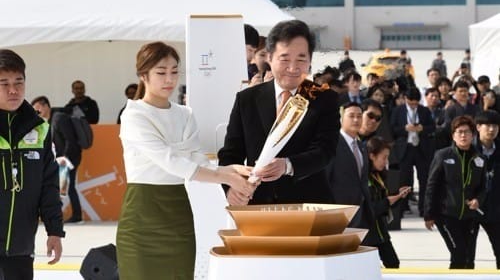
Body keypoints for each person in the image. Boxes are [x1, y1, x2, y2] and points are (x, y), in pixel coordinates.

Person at [116, 41, 256, 279]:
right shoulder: (133, 115)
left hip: (177, 213)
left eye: (174, 71)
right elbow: (171, 161)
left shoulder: (185, 114)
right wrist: (224, 176)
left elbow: (195, 160)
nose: (169, 79)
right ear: (143, 75)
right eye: (161, 73)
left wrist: (229, 169)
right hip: (141, 216)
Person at [218, 19, 340, 206]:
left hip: (309, 206)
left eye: (301, 59)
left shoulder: (322, 98)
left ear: (310, 60)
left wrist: (288, 165)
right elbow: (230, 154)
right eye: (284, 59)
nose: (293, 68)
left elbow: (325, 151)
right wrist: (231, 188)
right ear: (269, 57)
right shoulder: (247, 99)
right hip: (258, 205)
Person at [0, 49, 64, 279]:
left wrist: (55, 231)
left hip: (21, 248)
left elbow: (48, 186)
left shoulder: (40, 129)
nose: (13, 90)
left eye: (19, 82)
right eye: (4, 83)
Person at [424, 115, 486, 269]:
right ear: (453, 135)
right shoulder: (443, 155)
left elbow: (484, 187)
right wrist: (428, 213)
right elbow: (432, 185)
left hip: (470, 217)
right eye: (459, 132)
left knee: (469, 259)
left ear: (473, 135)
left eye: (467, 132)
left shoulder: (480, 158)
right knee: (459, 254)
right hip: (446, 215)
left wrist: (478, 200)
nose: (463, 135)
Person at [31, 96, 83, 223]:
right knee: (62, 188)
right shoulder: (48, 121)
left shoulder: (59, 118)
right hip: (61, 159)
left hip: (68, 159)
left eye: (38, 110)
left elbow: (69, 139)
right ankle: (64, 216)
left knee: (65, 188)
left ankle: (76, 216)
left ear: (46, 106)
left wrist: (65, 157)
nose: (37, 113)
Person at [364, 136, 410, 268]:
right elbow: (368, 208)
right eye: (384, 157)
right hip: (368, 236)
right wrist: (388, 201)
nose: (386, 161)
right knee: (370, 268)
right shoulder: (362, 177)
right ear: (372, 156)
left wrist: (397, 196)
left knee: (393, 264)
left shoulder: (379, 175)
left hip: (381, 233)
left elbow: (385, 202)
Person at [390, 88, 435, 217]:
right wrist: (405, 128)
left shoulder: (424, 111)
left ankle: (423, 208)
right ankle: (403, 206)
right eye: (411, 103)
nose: (413, 105)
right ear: (405, 99)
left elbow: (432, 127)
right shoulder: (398, 111)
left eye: (415, 103)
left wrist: (422, 128)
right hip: (405, 148)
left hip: (421, 149)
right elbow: (392, 129)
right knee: (404, 179)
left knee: (424, 179)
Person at [328, 102, 372, 229]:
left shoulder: (361, 146)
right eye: (351, 116)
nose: (356, 119)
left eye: (359, 116)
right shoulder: (332, 145)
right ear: (341, 118)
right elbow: (325, 180)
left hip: (361, 212)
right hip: (338, 212)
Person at [474, 111, 500, 269]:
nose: (491, 129)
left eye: (495, 126)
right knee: (466, 255)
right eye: (487, 125)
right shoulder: (467, 149)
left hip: (496, 208)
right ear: (478, 127)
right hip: (472, 208)